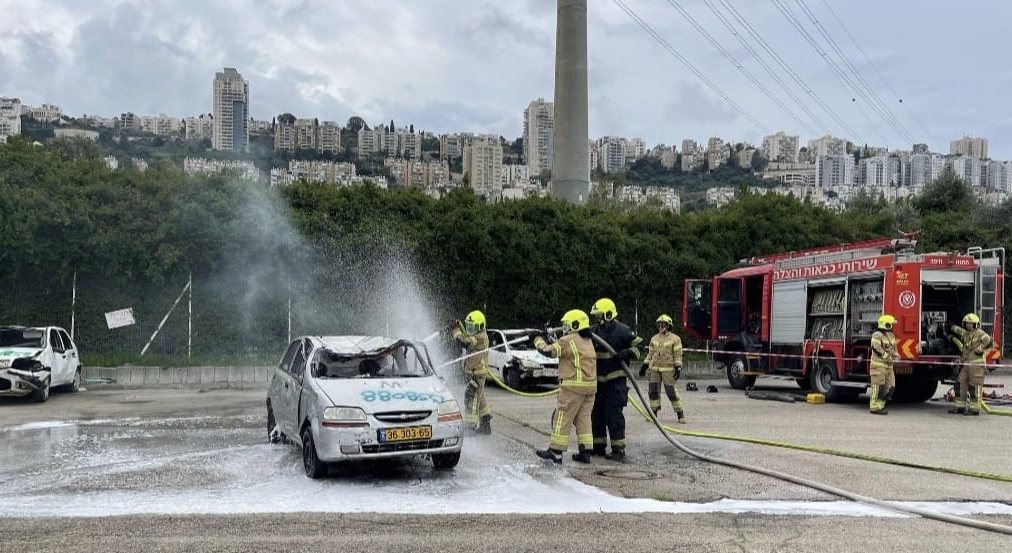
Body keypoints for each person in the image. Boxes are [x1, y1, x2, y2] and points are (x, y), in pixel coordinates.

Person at [533, 309, 597, 464]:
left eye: (566, 325)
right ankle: (585, 451)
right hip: (590, 387)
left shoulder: (568, 340)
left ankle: (555, 451)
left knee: (562, 417)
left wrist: (537, 340)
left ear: (575, 325)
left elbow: (549, 351)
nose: (564, 328)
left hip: (572, 387)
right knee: (584, 419)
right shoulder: (587, 340)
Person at [589, 298, 644, 461]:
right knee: (596, 415)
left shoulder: (622, 330)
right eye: (596, 315)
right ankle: (598, 447)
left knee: (613, 416)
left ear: (608, 314)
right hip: (598, 382)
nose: (597, 318)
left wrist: (627, 353)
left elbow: (640, 347)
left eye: (599, 315)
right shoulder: (593, 331)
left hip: (615, 382)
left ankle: (618, 450)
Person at [451, 310, 493, 434]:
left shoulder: (480, 337)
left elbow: (464, 342)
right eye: (468, 326)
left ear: (480, 326)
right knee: (480, 398)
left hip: (478, 373)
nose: (470, 330)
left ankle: (470, 426)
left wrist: (456, 331)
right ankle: (485, 424)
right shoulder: (477, 335)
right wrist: (457, 328)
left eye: (472, 327)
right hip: (476, 372)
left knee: (471, 397)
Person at [643, 314, 687, 424]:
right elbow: (650, 354)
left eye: (663, 324)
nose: (660, 326)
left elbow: (678, 355)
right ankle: (653, 414)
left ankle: (680, 414)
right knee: (653, 392)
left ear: (668, 326)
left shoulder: (675, 339)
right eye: (659, 324)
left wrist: (678, 368)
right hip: (654, 369)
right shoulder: (654, 338)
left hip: (668, 369)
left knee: (671, 392)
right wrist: (644, 365)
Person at [948, 313, 992, 416]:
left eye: (971, 323)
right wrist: (951, 326)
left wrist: (979, 350)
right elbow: (959, 331)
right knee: (960, 384)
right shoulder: (966, 334)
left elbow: (989, 340)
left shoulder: (980, 333)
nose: (968, 325)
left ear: (975, 324)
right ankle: (960, 407)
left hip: (976, 366)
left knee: (974, 387)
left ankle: (975, 409)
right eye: (967, 323)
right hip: (966, 364)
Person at [869, 314, 898, 415]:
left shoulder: (891, 336)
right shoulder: (877, 335)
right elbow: (876, 348)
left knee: (891, 388)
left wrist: (896, 356)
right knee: (878, 387)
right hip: (878, 366)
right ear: (886, 324)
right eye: (891, 324)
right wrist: (887, 357)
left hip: (889, 367)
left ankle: (880, 405)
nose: (892, 326)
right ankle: (874, 407)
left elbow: (894, 349)